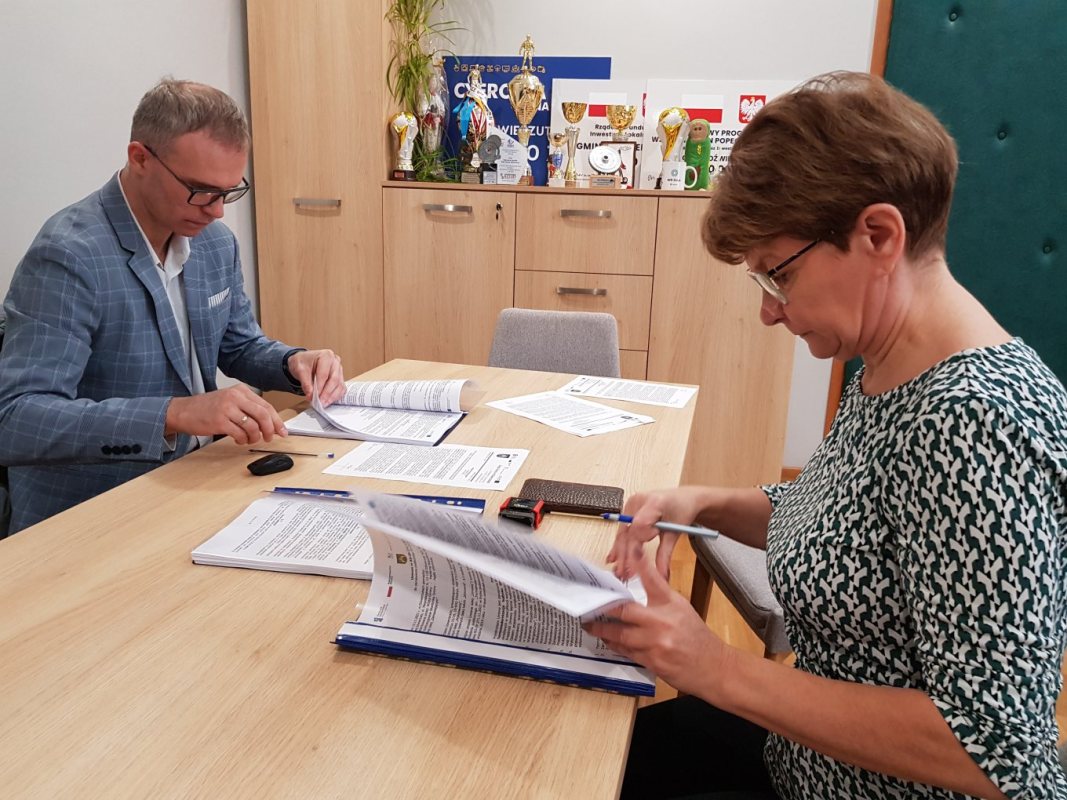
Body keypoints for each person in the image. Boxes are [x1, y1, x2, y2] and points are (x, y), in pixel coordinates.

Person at [588, 72, 1067, 799]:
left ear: (878, 235)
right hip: (803, 762)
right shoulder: (886, 367)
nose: (769, 311)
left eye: (777, 276)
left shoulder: (976, 425)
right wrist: (700, 503)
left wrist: (716, 667)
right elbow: (838, 521)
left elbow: (994, 754)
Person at [0, 79, 346, 535]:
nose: (217, 211)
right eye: (201, 190)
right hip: (90, 516)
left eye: (229, 191)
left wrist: (293, 362)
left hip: (196, 481)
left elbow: (238, 345)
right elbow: (18, 419)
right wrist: (173, 414)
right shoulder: (69, 255)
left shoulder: (214, 243)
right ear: (140, 158)